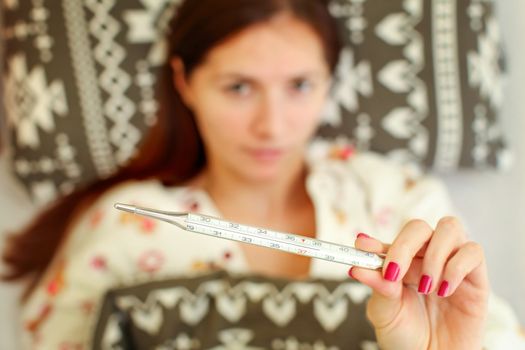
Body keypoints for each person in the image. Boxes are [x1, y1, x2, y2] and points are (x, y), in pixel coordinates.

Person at [2, 0, 524, 349]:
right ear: (185, 82)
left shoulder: (401, 203)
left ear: (329, 81)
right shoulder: (120, 231)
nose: (271, 126)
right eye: (238, 87)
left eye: (299, 85)